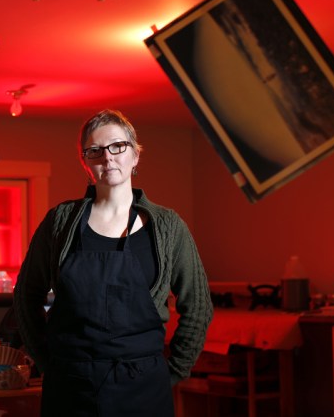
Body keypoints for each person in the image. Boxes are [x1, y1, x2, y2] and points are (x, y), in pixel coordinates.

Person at [13, 109, 212, 417]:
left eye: (117, 146)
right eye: (95, 150)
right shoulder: (59, 221)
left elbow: (198, 306)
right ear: (85, 162)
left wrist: (172, 372)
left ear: (135, 155)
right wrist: (47, 363)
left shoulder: (168, 226)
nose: (107, 157)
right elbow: (26, 296)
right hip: (70, 388)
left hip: (144, 388)